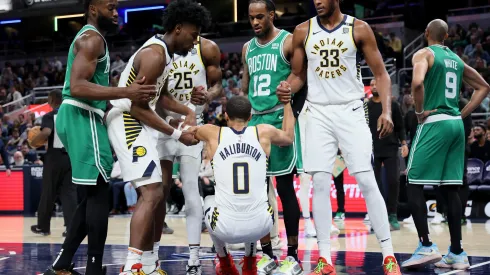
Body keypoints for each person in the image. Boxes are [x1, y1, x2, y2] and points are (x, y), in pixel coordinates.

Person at [275, 0, 402, 273]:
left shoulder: (359, 29)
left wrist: (387, 111)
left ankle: (389, 255)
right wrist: (287, 88)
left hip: (351, 110)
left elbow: (381, 74)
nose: (317, 1)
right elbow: (298, 75)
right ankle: (324, 258)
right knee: (320, 181)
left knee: (366, 179)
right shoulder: (302, 31)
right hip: (317, 112)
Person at [44, 0, 157, 274]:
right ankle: (94, 266)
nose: (115, 13)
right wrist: (126, 92)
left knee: (92, 195)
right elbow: (78, 86)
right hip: (82, 115)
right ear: (93, 9)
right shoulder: (91, 39)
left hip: (81, 116)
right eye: (110, 7)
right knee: (99, 196)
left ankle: (62, 263)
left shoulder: (92, 38)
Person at [107, 0, 210, 274]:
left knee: (156, 193)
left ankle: (148, 264)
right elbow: (139, 107)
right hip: (127, 120)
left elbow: (159, 98)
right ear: (178, 28)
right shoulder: (155, 54)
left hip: (138, 119)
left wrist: (185, 110)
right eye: (193, 34)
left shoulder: (165, 53)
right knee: (152, 192)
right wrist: (177, 133)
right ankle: (132, 267)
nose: (195, 40)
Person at [401, 19, 490, 270]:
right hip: (455, 125)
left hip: (434, 122)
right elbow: (484, 87)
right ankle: (457, 253)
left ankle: (426, 245)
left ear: (426, 33)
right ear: (447, 37)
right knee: (452, 188)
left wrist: (419, 111)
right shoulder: (457, 60)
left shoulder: (423, 53)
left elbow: (417, 83)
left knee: (413, 181)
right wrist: (461, 115)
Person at [192, 96, 296, 275]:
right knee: (257, 202)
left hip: (225, 229)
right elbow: (288, 137)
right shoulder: (263, 132)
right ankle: (250, 262)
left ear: (226, 116)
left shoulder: (212, 133)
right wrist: (287, 103)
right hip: (261, 226)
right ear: (250, 117)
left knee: (209, 199)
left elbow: (188, 134)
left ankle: (224, 262)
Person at [241, 1, 305, 272]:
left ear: (270, 15)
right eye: (250, 18)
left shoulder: (287, 41)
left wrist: (288, 88)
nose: (255, 22)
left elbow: (300, 74)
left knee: (285, 187)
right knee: (256, 191)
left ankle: (292, 254)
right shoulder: (246, 48)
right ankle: (267, 252)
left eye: (259, 17)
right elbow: (245, 86)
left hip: (280, 117)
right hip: (255, 121)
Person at [156, 14, 222, 274]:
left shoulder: (207, 48)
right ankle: (152, 255)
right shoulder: (160, 48)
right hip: (162, 126)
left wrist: (207, 94)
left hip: (192, 127)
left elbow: (217, 86)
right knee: (158, 192)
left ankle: (194, 255)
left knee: (191, 190)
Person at [29, 90, 77, 237]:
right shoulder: (72, 116)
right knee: (69, 194)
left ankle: (43, 227)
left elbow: (46, 133)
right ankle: (71, 228)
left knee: (48, 193)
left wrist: (33, 142)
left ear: (51, 100)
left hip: (54, 158)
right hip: (71, 157)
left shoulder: (50, 116)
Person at [367, 79, 408, 231]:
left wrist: (404, 143)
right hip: (372, 149)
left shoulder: (392, 104)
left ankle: (392, 214)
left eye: (376, 83)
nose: (373, 86)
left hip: (390, 147)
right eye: (371, 85)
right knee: (374, 185)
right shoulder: (366, 106)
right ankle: (378, 215)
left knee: (393, 181)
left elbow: (400, 126)